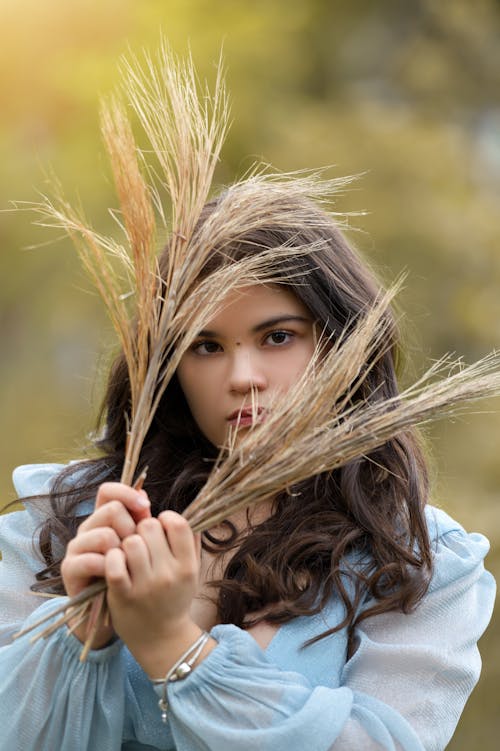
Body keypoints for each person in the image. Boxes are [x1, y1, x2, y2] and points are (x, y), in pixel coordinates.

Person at [0, 178, 495, 751]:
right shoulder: (66, 521)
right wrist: (82, 630)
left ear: (342, 341)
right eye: (206, 347)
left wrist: (173, 648)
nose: (242, 379)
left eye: (278, 337)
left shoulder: (411, 560)